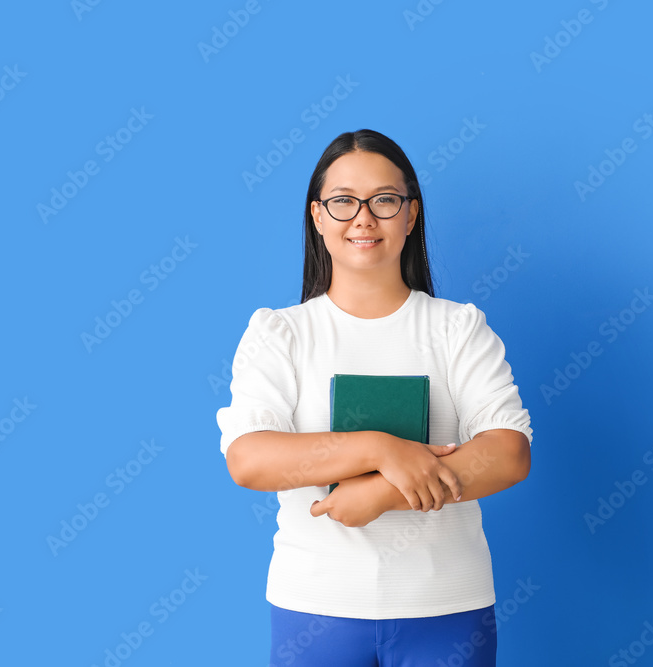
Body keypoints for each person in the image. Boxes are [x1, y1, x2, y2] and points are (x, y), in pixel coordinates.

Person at [216, 129, 532, 667]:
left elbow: (508, 452)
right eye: (343, 201)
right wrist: (379, 448)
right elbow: (248, 458)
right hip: (314, 608)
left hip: (447, 605)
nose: (363, 218)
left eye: (384, 200)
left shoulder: (457, 329)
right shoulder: (280, 334)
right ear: (317, 217)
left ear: (411, 215)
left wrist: (385, 492)